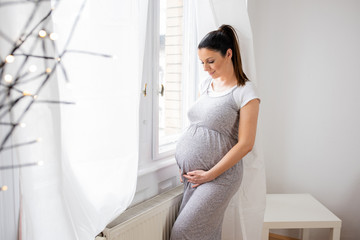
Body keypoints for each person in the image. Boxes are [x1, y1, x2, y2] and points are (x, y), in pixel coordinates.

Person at [170, 24, 261, 240]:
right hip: (197, 175)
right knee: (206, 233)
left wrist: (209, 174)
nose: (205, 68)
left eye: (211, 61)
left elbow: (246, 144)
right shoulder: (206, 84)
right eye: (202, 62)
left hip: (220, 177)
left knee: (183, 232)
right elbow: (200, 125)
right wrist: (187, 162)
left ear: (228, 54)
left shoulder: (245, 92)